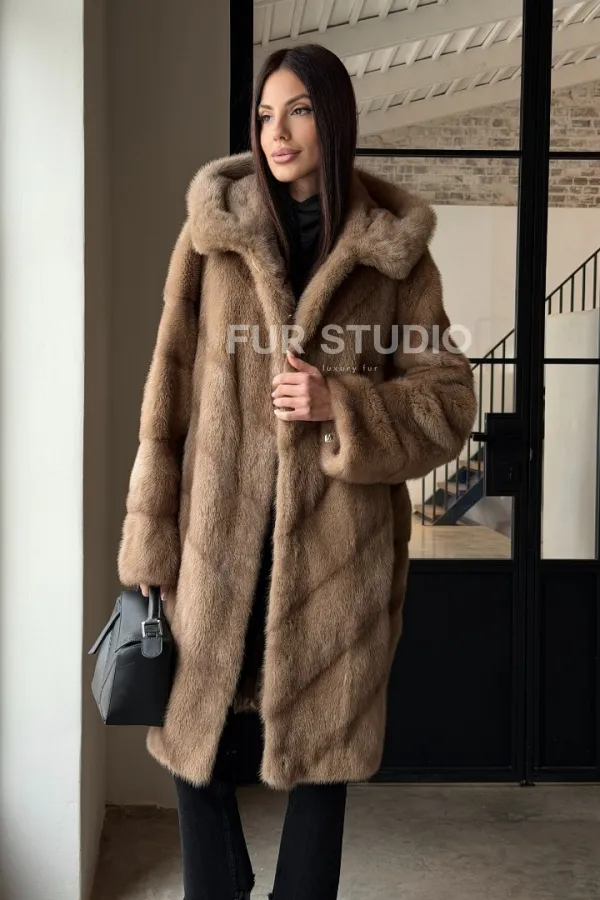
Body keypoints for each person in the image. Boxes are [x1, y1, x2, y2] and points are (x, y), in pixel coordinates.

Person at [117, 43, 477, 900]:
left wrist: (340, 404)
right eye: (265, 115)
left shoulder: (394, 257)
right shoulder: (213, 239)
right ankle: (219, 884)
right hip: (217, 539)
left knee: (321, 764)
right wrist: (151, 543)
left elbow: (447, 402)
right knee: (192, 736)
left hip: (336, 552)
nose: (277, 132)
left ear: (334, 119)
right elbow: (167, 396)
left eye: (299, 111)